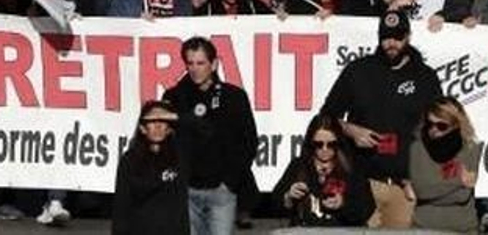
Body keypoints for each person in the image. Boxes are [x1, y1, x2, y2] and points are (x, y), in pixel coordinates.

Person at [320, 11, 443, 228]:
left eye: (397, 37)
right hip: (362, 184)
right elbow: (326, 117)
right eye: (386, 37)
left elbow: (439, 130)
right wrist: (350, 130)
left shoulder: (425, 77)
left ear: (408, 36)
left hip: (404, 187)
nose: (391, 43)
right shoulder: (358, 71)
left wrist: (423, 179)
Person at [162, 36, 258, 235]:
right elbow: (166, 142)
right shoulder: (173, 97)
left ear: (213, 64)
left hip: (221, 192)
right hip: (187, 191)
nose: (195, 68)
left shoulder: (234, 96)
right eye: (190, 63)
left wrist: (229, 182)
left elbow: (249, 141)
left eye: (200, 63)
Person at [272, 115, 374, 227]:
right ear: (311, 143)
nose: (325, 149)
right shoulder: (299, 166)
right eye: (318, 144)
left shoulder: (351, 168)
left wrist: (343, 205)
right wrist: (288, 197)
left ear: (339, 143)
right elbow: (273, 204)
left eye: (331, 144)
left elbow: (366, 208)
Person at [112, 99, 188, 235]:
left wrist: (176, 117)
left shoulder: (179, 156)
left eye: (163, 121)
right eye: (153, 121)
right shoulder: (130, 159)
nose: (158, 126)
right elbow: (121, 206)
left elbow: (206, 132)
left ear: (170, 128)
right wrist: (162, 178)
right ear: (142, 128)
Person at [405, 97, 480, 233]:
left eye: (441, 126)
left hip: (463, 228)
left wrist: (434, 185)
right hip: (425, 227)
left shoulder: (471, 148)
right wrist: (459, 181)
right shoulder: (417, 148)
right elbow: (422, 191)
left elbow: (462, 196)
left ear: (456, 124)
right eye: (430, 124)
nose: (434, 130)